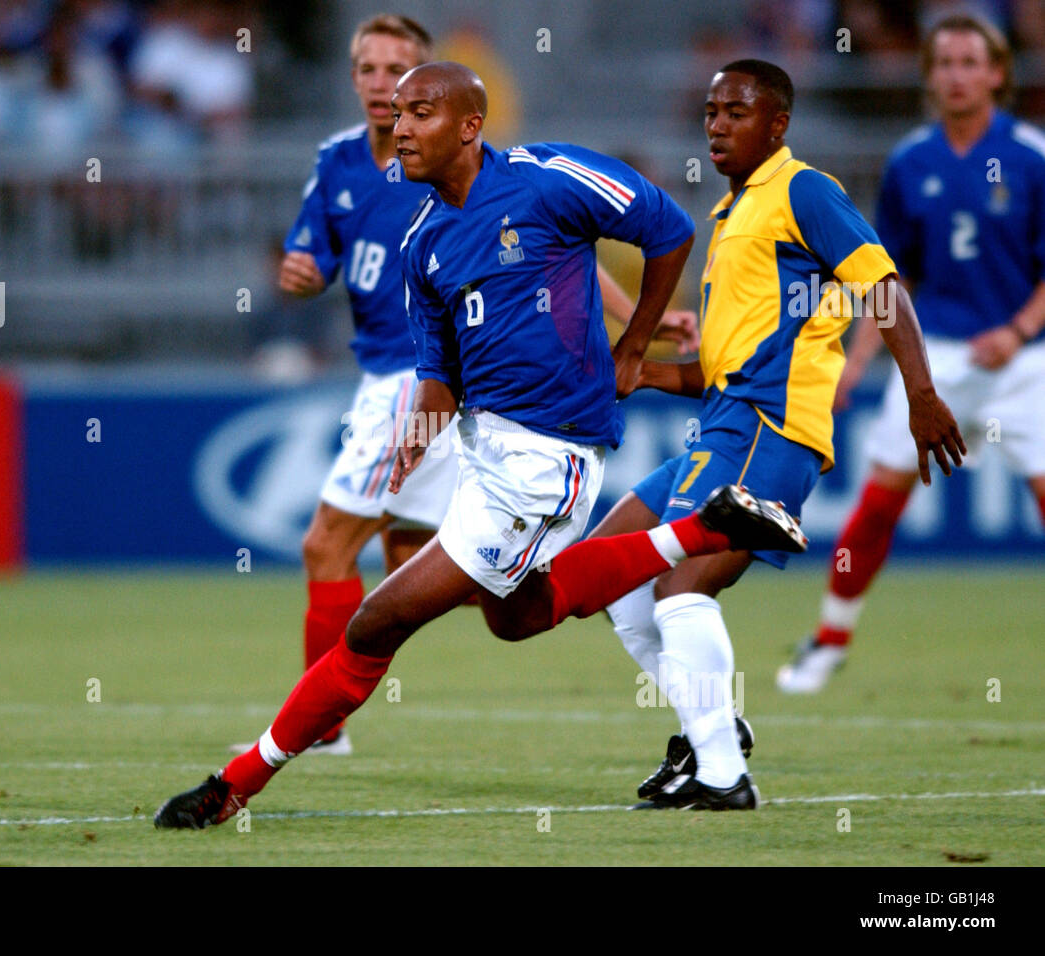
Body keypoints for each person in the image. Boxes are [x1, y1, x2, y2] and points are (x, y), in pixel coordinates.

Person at [155, 61, 808, 830]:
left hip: (547, 459)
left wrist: (633, 345)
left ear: (470, 125)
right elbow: (441, 376)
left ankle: (232, 786)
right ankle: (705, 528)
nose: (401, 128)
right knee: (517, 615)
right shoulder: (423, 242)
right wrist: (418, 435)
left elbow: (667, 227)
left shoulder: (546, 178)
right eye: (396, 113)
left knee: (375, 624)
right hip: (482, 453)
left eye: (421, 112)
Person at [271, 15, 697, 757]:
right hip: (416, 387)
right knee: (451, 580)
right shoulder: (340, 167)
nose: (386, 92)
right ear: (355, 81)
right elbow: (312, 260)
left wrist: (638, 332)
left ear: (453, 109)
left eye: (400, 75)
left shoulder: (474, 173)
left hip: (434, 389)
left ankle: (318, 731)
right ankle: (598, 582)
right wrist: (301, 276)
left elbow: (561, 253)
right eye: (371, 73)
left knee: (329, 545)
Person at [582, 59, 967, 809]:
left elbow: (880, 284)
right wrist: (646, 371)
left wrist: (921, 393)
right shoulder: (730, 220)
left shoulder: (803, 190)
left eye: (737, 111)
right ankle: (713, 732)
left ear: (778, 124)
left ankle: (724, 776)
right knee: (611, 574)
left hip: (771, 429)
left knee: (678, 586)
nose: (718, 124)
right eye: (712, 111)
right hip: (725, 422)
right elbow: (721, 367)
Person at [778, 14, 1045, 694]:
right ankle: (829, 639)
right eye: (944, 62)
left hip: (1022, 362)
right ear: (929, 77)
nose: (956, 73)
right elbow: (888, 275)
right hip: (935, 362)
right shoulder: (910, 162)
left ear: (996, 74)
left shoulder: (1030, 156)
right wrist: (860, 356)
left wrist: (1016, 331)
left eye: (969, 61)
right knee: (877, 505)